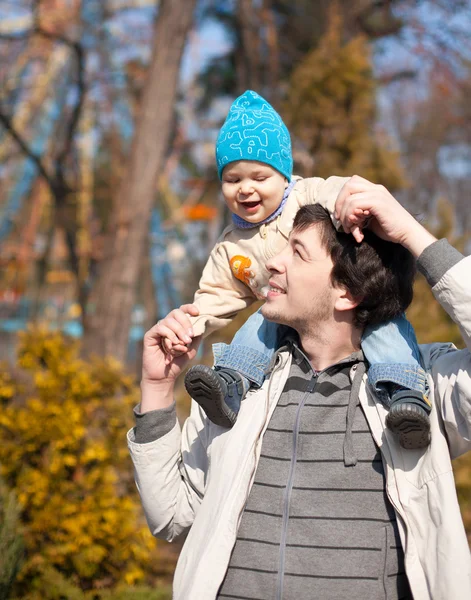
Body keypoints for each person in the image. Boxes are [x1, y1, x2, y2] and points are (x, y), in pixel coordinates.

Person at [128, 176, 471, 600]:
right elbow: (171, 517)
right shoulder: (237, 386)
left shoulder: (420, 385)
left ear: (347, 292)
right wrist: (158, 388)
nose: (273, 261)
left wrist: (409, 231)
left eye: (297, 252)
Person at [161, 89, 430, 448]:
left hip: (346, 306)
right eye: (232, 179)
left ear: (284, 176)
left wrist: (349, 206)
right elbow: (216, 295)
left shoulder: (304, 197)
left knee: (387, 330)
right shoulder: (230, 245)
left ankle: (407, 399)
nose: (245, 189)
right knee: (260, 322)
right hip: (283, 317)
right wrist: (192, 325)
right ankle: (231, 386)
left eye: (259, 177)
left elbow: (340, 190)